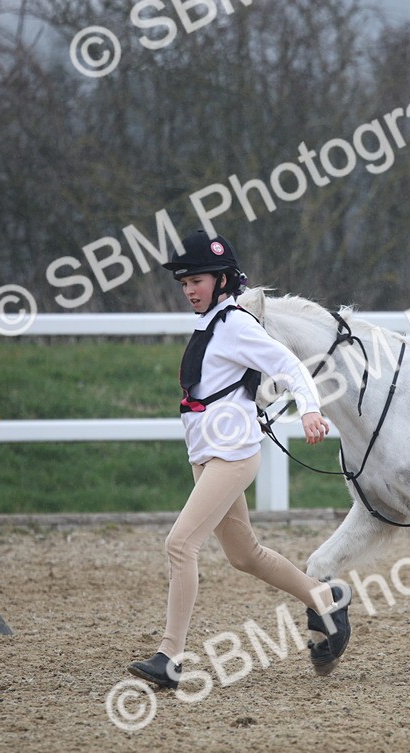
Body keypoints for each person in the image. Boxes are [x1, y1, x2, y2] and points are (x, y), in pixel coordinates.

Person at [127, 230, 350, 690]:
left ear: (223, 280)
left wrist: (310, 409)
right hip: (208, 455)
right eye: (184, 282)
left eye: (197, 280)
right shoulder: (210, 324)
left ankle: (169, 656)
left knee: (179, 545)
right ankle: (326, 597)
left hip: (232, 455)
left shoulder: (235, 324)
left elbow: (290, 367)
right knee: (243, 554)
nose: (189, 289)